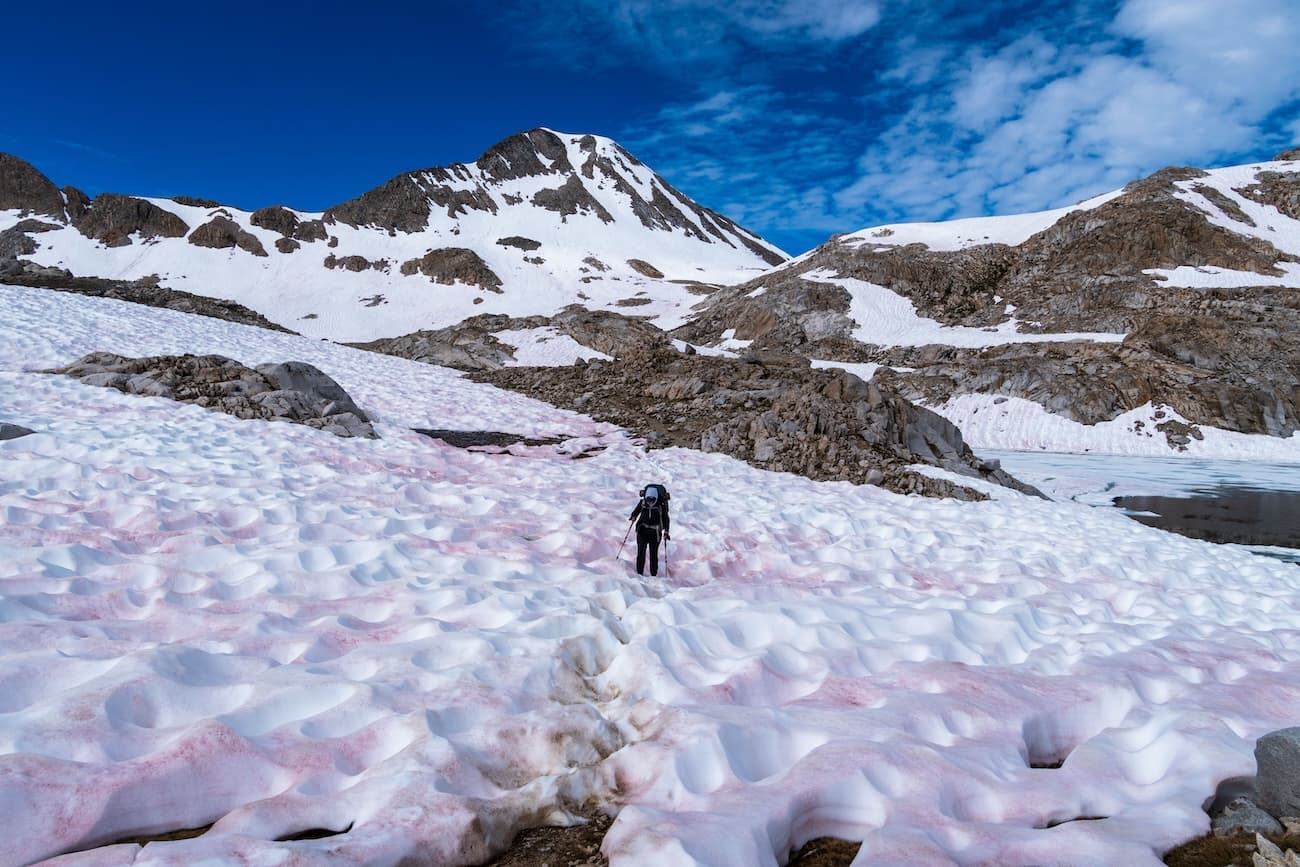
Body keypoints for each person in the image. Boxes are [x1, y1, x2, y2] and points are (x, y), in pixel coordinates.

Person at [629, 486, 670, 576]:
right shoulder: (643, 503)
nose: (650, 501)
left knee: (653, 555)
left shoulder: (660, 506)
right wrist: (633, 516)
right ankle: (639, 573)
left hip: (655, 533)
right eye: (649, 499)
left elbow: (666, 519)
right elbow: (636, 511)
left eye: (652, 499)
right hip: (642, 531)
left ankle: (653, 575)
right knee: (641, 553)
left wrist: (666, 532)